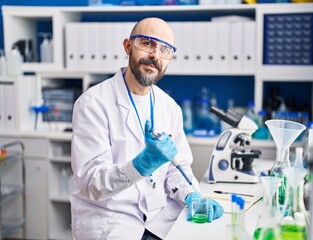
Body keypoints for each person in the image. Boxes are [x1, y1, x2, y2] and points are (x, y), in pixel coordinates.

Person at [70, 17, 224, 240]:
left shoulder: (169, 107)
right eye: (147, 43)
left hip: (158, 218)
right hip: (111, 220)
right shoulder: (93, 104)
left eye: (165, 50)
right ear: (127, 46)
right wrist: (142, 164)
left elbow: (176, 168)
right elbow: (91, 183)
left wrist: (192, 195)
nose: (155, 55)